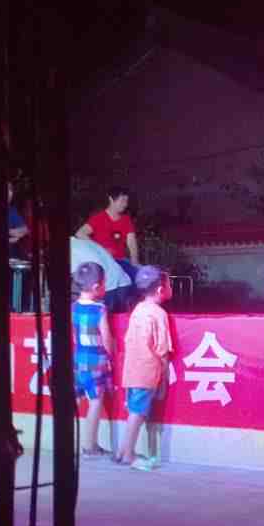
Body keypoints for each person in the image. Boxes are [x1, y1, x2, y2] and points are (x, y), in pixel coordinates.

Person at [117, 265, 173, 471]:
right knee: (138, 413)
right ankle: (128, 455)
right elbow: (162, 349)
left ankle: (123, 450)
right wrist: (164, 377)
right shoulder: (159, 314)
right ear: (160, 289)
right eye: (169, 284)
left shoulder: (138, 309)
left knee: (133, 410)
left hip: (131, 369)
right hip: (146, 372)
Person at [73, 262, 114, 457]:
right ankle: (90, 446)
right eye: (104, 283)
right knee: (96, 402)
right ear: (97, 287)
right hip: (96, 361)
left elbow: (74, 336)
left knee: (78, 399)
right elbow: (106, 337)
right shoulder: (100, 309)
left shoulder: (73, 307)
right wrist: (111, 353)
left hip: (78, 360)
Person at [77, 186, 139, 282]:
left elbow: (131, 243)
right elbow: (80, 233)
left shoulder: (126, 220)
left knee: (137, 278)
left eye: (126, 201)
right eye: (122, 201)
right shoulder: (98, 218)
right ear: (111, 199)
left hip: (120, 261)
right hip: (102, 261)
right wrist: (101, 249)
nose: (125, 204)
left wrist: (135, 262)